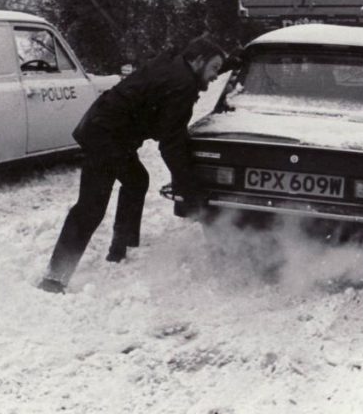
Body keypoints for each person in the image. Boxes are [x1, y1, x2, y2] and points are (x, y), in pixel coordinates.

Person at [38, 36, 227, 293]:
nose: (216, 76)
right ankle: (55, 278)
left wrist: (233, 59)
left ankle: (120, 246)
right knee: (91, 206)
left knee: (136, 180)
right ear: (197, 61)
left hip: (109, 130)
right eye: (215, 68)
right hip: (106, 136)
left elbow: (169, 127)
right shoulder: (182, 85)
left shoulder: (174, 65)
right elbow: (171, 145)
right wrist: (189, 192)